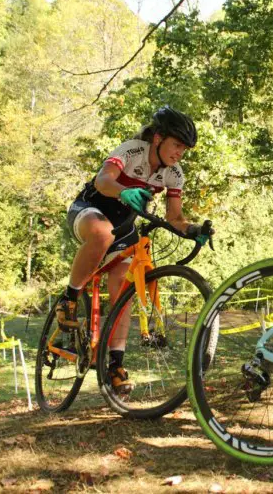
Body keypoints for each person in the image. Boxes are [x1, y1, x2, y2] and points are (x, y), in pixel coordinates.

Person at [56, 106, 210, 394]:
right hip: (90, 209)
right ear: (158, 138)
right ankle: (70, 297)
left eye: (185, 149)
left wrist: (194, 230)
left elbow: (175, 218)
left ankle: (115, 365)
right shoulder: (131, 150)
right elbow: (103, 181)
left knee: (124, 293)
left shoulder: (174, 174)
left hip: (124, 226)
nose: (180, 153)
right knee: (102, 234)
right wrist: (123, 190)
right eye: (177, 145)